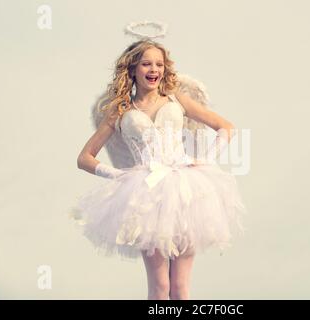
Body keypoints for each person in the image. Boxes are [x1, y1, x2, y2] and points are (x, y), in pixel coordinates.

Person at [72, 39, 247, 300]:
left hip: (186, 191)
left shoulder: (176, 99)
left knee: (180, 287)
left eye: (159, 64)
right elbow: (84, 158)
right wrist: (120, 176)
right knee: (160, 287)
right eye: (146, 64)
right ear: (132, 69)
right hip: (145, 196)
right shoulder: (120, 111)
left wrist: (207, 159)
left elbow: (226, 127)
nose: (154, 69)